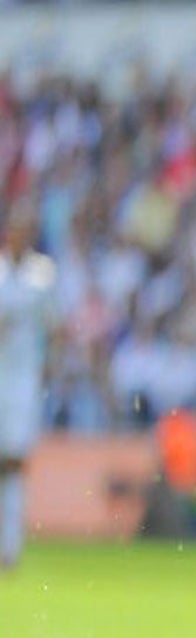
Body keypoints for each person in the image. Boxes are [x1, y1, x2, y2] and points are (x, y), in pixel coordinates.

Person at [0, 202, 57, 573]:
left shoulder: (42, 275)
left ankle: (10, 547)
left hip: (22, 379)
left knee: (14, 462)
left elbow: (54, 326)